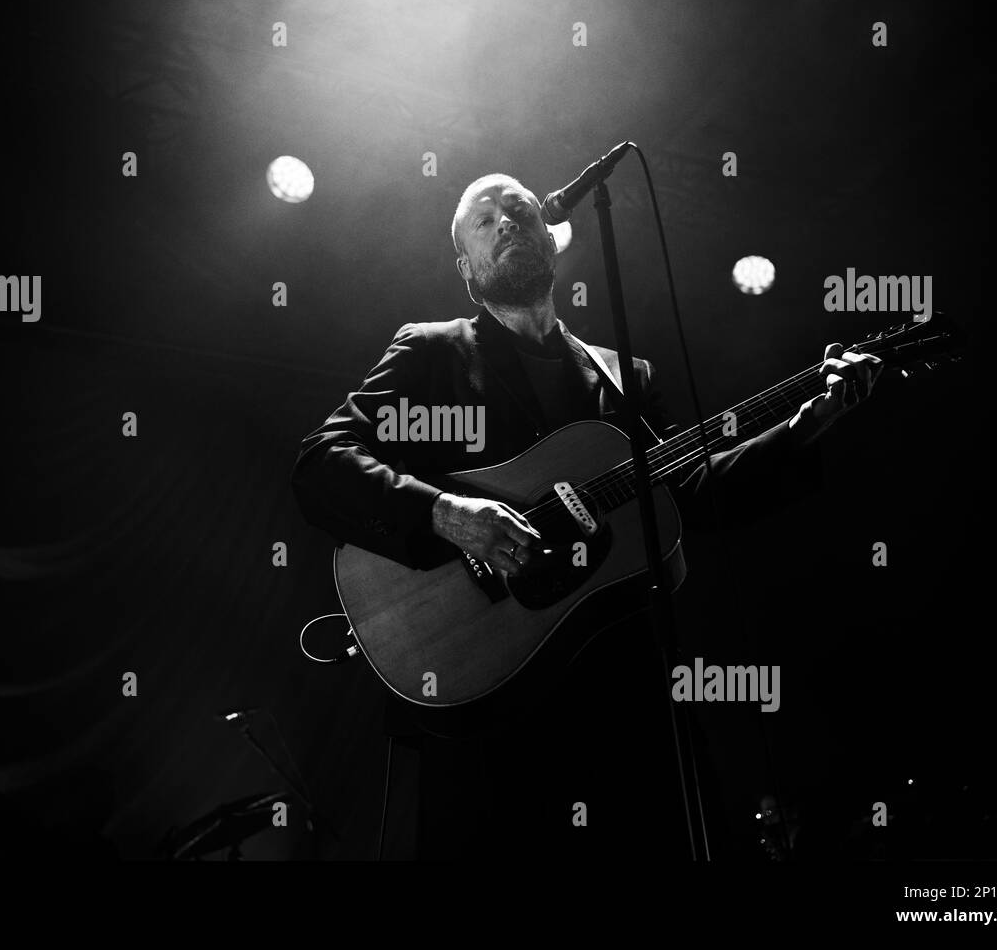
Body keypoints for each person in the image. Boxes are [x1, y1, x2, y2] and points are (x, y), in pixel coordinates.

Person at [291, 173, 882, 860]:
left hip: (622, 692)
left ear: (550, 236)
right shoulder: (432, 353)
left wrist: (809, 422)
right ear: (466, 268)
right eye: (484, 222)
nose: (506, 223)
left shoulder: (624, 375)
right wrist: (446, 512)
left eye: (517, 211)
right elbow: (321, 462)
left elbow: (691, 490)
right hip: (489, 693)